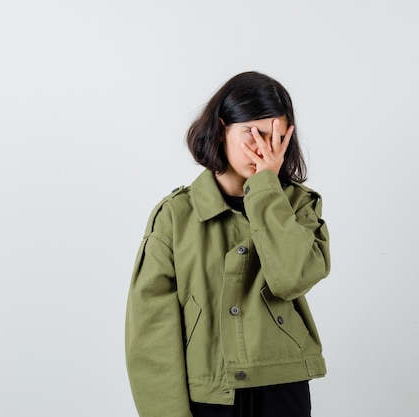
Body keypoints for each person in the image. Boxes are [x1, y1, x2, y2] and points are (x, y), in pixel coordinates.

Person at [125, 71, 331, 417]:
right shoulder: (175, 216)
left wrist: (266, 190)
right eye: (253, 134)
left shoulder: (298, 205)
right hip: (210, 395)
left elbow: (292, 277)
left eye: (276, 138)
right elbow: (151, 333)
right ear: (222, 129)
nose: (265, 149)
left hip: (283, 388)